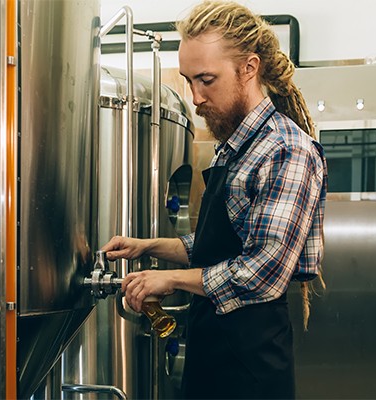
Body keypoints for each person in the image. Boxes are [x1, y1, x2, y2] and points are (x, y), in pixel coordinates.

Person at [100, 1, 327, 399]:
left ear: (249, 69)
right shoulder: (233, 146)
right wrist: (149, 247)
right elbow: (217, 249)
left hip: (249, 371)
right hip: (211, 355)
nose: (195, 97)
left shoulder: (285, 149)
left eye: (207, 79)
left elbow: (262, 272)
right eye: (189, 81)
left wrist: (169, 278)